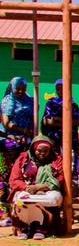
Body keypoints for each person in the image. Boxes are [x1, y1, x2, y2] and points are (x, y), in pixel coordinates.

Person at [8, 135, 65, 239]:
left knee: (53, 199)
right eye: (39, 150)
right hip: (27, 189)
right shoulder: (23, 158)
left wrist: (42, 187)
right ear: (34, 149)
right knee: (20, 199)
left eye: (46, 151)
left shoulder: (56, 159)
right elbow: (14, 179)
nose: (42, 153)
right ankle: (25, 227)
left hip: (48, 190)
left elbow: (60, 178)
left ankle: (43, 228)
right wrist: (28, 187)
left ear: (50, 150)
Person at [1, 77, 35, 226]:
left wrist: (29, 134)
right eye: (18, 89)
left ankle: (23, 213)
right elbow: (6, 123)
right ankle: (4, 213)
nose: (20, 91)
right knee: (5, 178)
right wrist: (22, 132)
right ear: (12, 88)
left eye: (23, 88)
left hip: (25, 142)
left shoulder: (29, 100)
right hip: (9, 143)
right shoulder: (8, 102)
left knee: (23, 176)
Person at [40, 79, 79, 153]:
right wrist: (67, 122)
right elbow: (47, 121)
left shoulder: (73, 105)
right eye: (58, 89)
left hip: (70, 138)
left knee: (70, 159)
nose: (60, 91)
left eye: (62, 88)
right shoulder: (51, 104)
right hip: (54, 139)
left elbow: (77, 122)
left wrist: (59, 120)